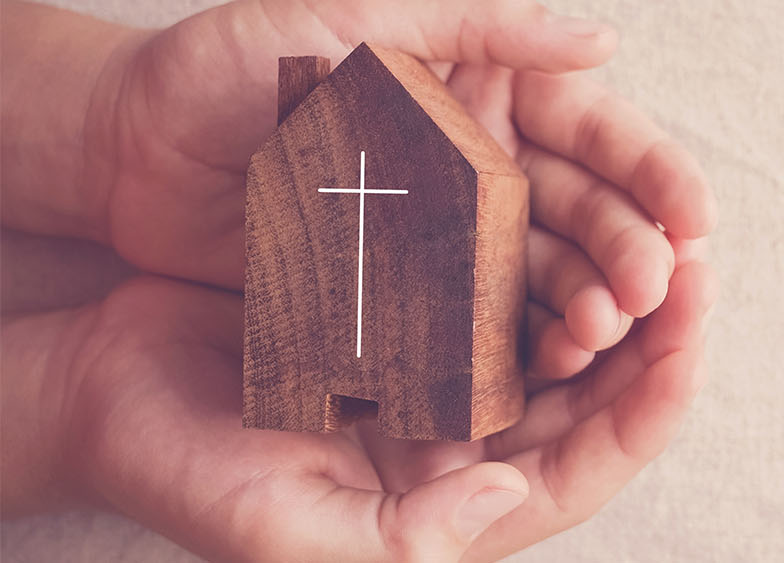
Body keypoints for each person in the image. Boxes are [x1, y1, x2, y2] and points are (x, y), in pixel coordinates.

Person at [0, 0, 716, 560]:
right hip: (323, 289)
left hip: (415, 305)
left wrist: (73, 400)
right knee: (321, 354)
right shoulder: (315, 140)